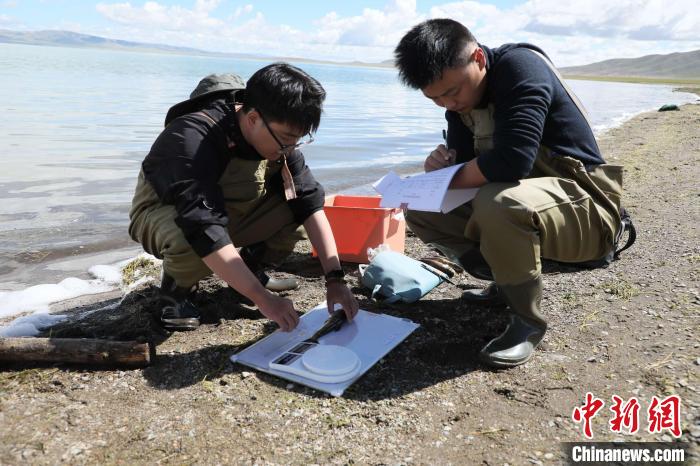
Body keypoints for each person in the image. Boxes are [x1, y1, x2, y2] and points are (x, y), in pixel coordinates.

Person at [394, 19, 627, 368]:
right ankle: (504, 282)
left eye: (452, 91)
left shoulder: (521, 68)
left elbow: (512, 161)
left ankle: (527, 323)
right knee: (422, 208)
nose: (447, 103)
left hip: (590, 214)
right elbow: (467, 169)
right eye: (435, 98)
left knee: (499, 202)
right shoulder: (459, 104)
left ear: (478, 58)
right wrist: (438, 171)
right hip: (535, 209)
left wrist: (450, 178)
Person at [129, 63, 358, 332]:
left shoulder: (279, 138)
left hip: (226, 211)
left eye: (298, 140)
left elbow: (309, 204)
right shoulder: (190, 137)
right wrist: (264, 299)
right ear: (252, 119)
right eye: (286, 139)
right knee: (189, 237)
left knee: (296, 211)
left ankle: (249, 273)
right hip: (165, 215)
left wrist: (335, 280)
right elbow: (202, 226)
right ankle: (176, 291)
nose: (290, 148)